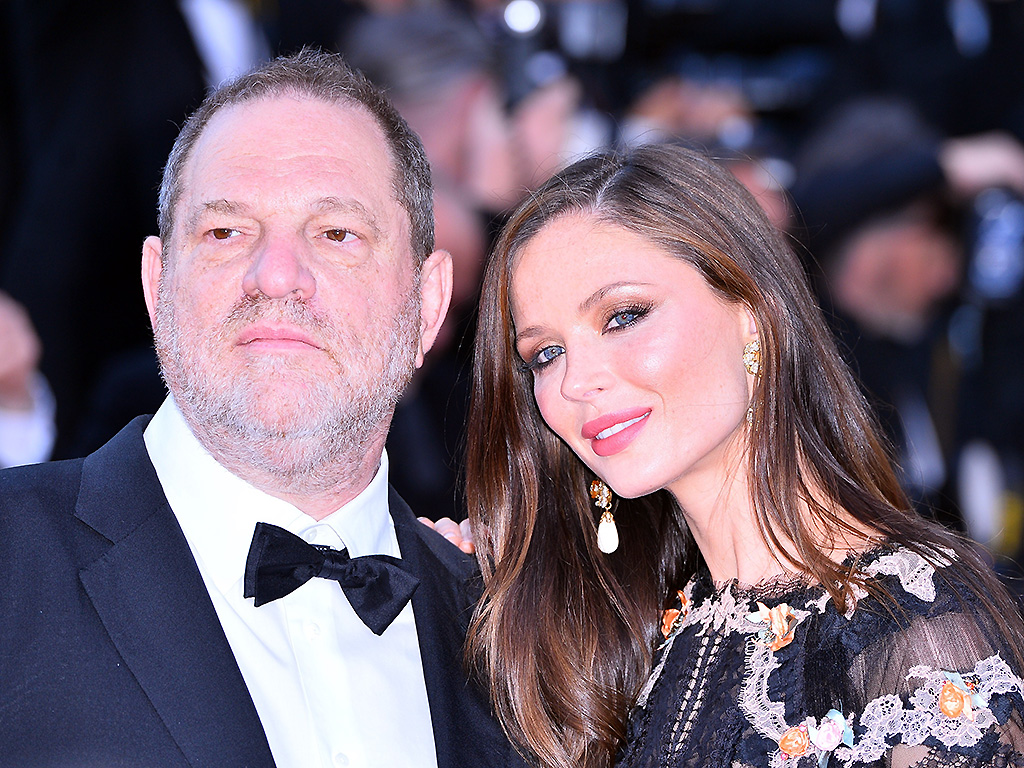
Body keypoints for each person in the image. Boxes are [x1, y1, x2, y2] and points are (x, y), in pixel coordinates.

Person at [0, 50, 522, 768]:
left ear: (429, 303)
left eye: (337, 233)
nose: (276, 275)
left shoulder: (515, 632)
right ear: (158, 286)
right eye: (225, 232)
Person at [462, 143, 1024, 768]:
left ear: (752, 313)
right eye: (545, 353)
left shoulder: (918, 623)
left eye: (623, 316)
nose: (574, 382)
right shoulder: (641, 636)